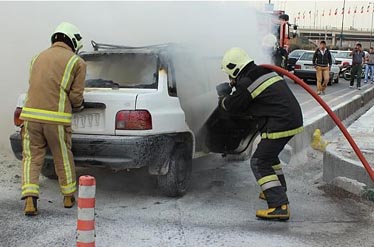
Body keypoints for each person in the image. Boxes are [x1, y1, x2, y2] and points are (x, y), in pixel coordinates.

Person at [216, 47, 303, 220]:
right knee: (269, 157)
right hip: (291, 119)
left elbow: (233, 107)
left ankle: (279, 206)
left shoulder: (247, 82)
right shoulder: (262, 71)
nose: (230, 79)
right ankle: (278, 188)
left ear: (235, 68)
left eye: (230, 74)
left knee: (259, 161)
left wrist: (224, 96)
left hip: (280, 123)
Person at [19, 22, 86, 216]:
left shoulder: (36, 58)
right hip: (56, 119)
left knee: (31, 158)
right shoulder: (76, 62)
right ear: (73, 41)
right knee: (62, 156)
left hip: (30, 116)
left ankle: (30, 200)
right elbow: (75, 96)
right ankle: (67, 196)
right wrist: (78, 106)